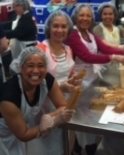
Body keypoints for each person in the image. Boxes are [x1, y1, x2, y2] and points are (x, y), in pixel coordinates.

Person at [0, 47, 75, 155]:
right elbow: (23, 135)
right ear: (20, 68)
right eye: (30, 65)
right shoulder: (9, 98)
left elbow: (63, 106)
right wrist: (53, 121)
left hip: (13, 127)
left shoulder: (47, 80)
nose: (36, 71)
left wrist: (49, 116)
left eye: (41, 66)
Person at [65, 4, 124, 155]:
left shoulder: (90, 34)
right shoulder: (73, 34)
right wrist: (114, 57)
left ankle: (86, 148)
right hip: (79, 83)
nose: (85, 18)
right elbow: (87, 56)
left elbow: (105, 48)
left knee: (90, 118)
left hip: (93, 80)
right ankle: (79, 149)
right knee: (82, 121)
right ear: (75, 17)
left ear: (92, 19)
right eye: (82, 15)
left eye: (88, 16)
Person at [28, 10, 78, 155]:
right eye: (56, 26)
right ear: (49, 28)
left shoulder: (68, 50)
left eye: (64, 26)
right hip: (45, 105)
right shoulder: (40, 50)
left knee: (65, 141)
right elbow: (32, 82)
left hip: (65, 103)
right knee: (48, 144)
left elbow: (68, 72)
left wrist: (73, 80)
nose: (60, 30)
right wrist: (59, 86)